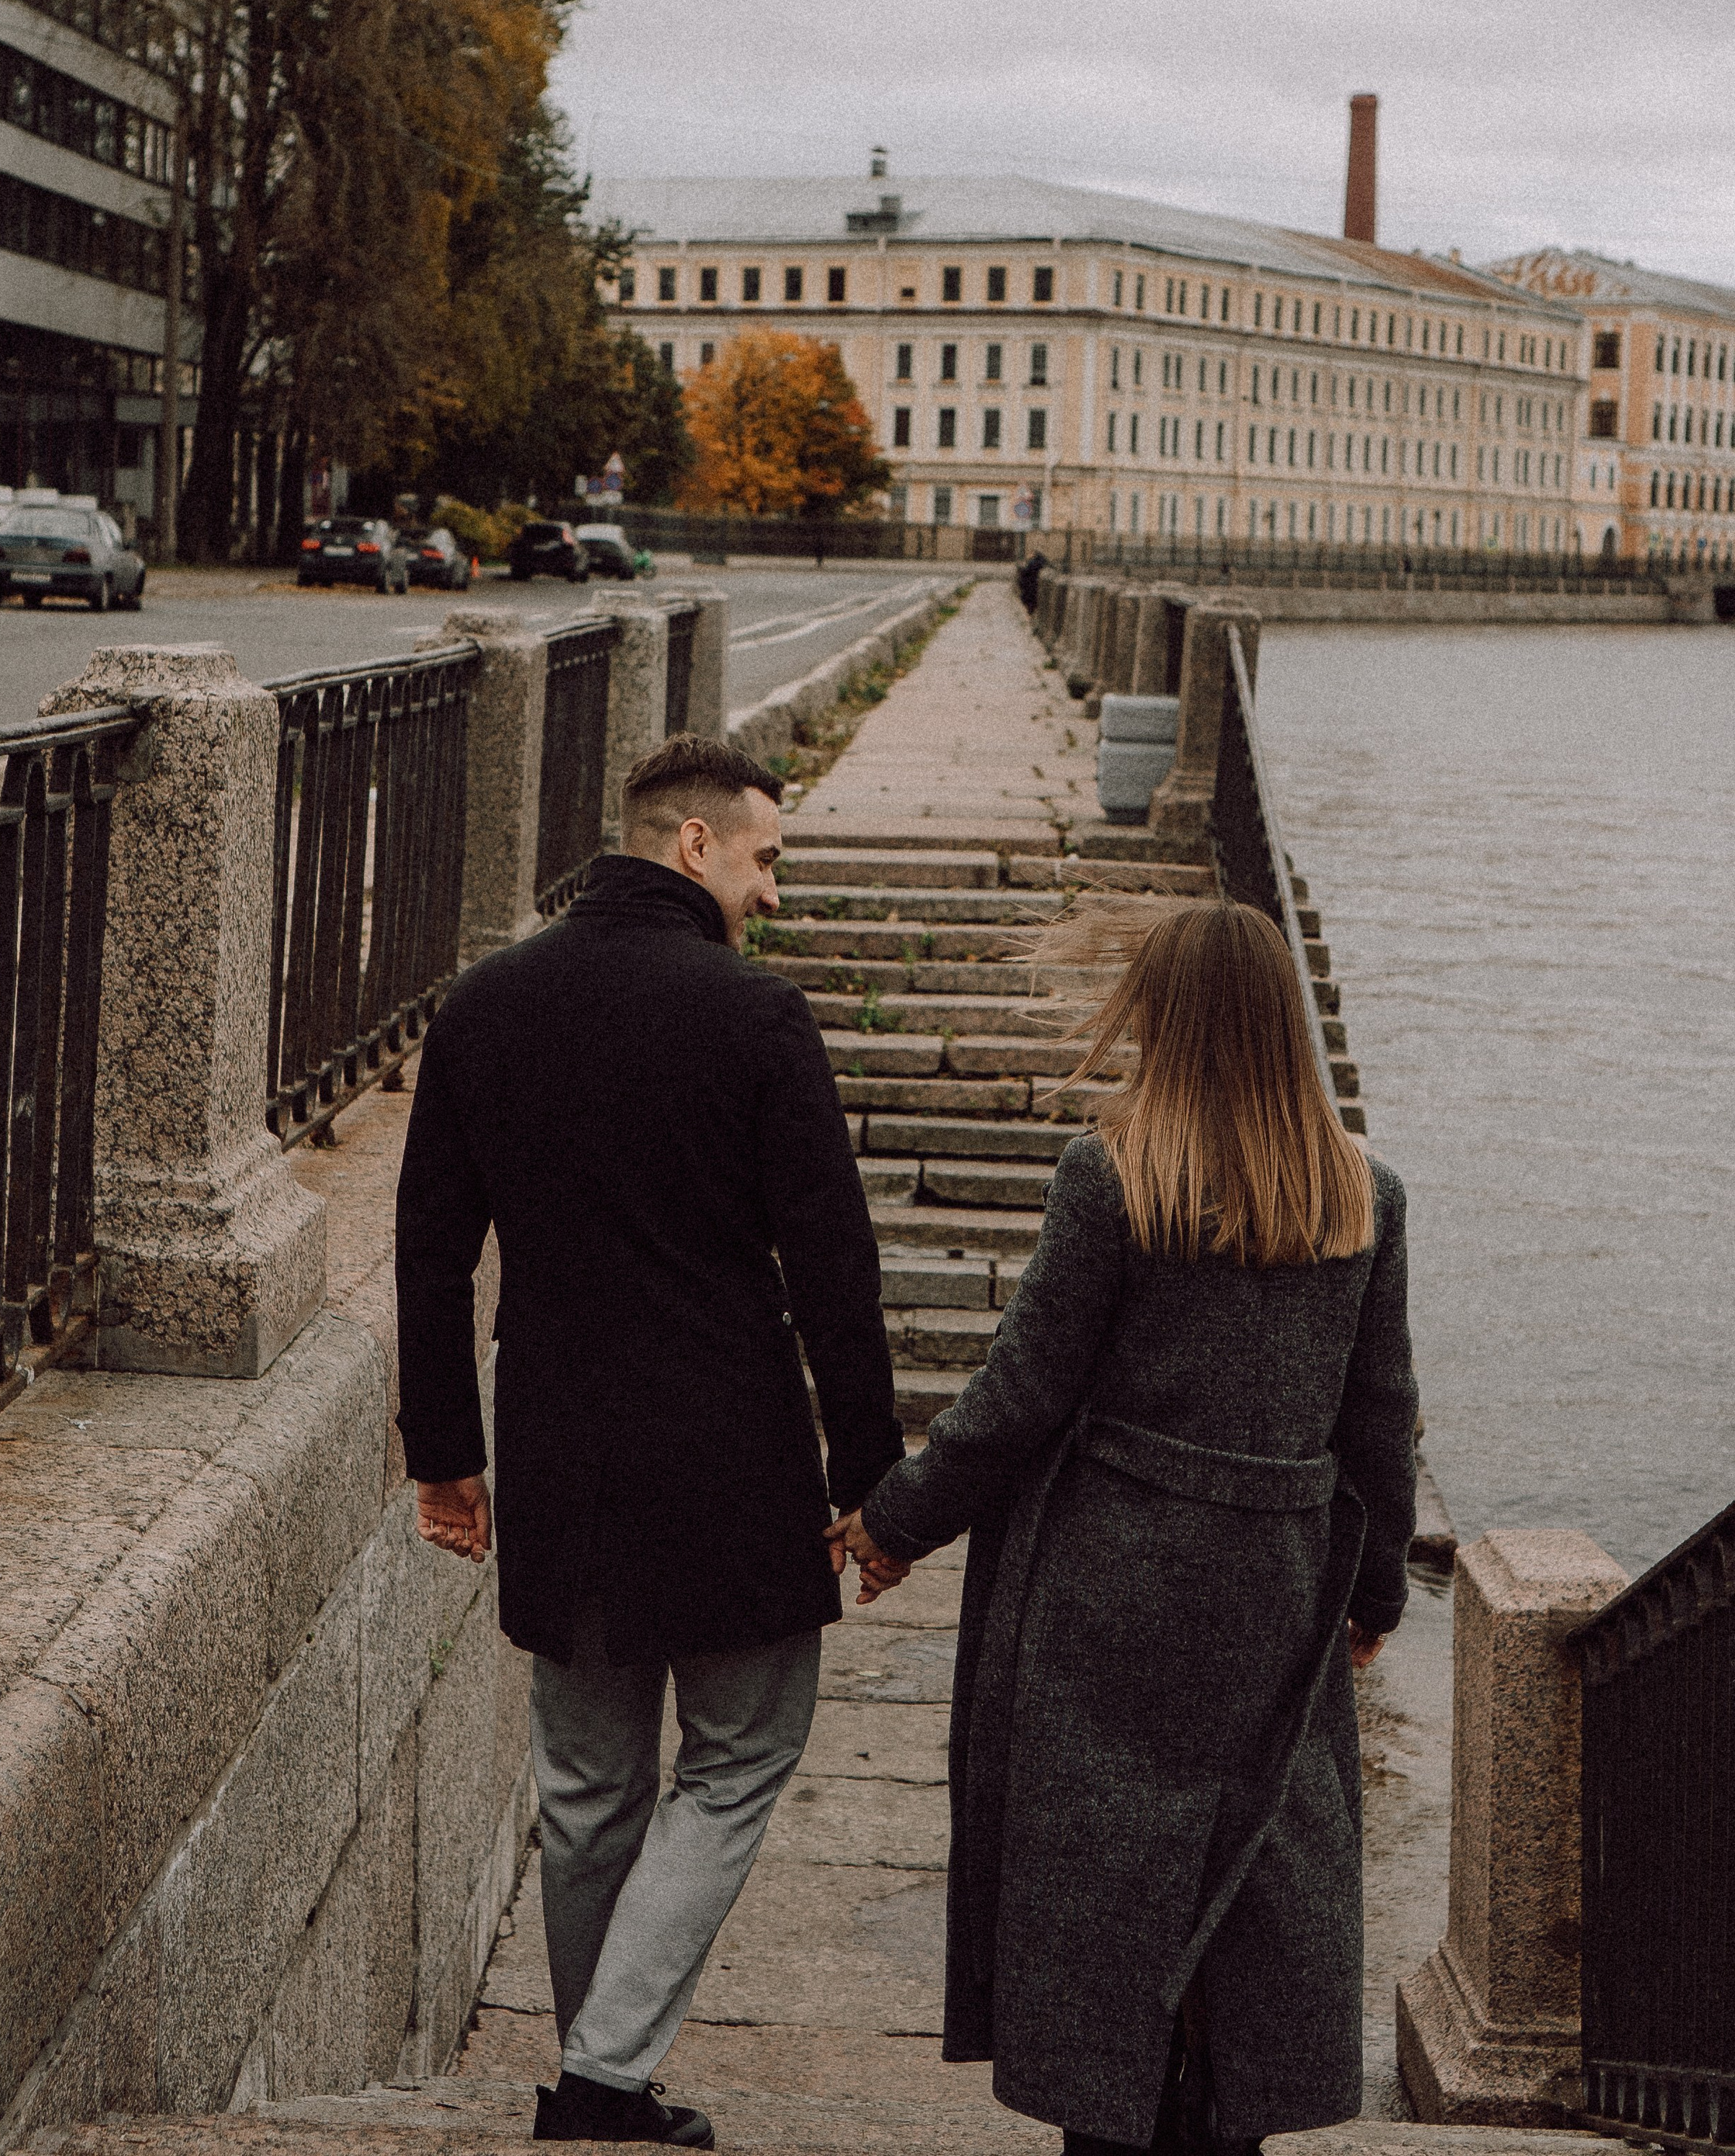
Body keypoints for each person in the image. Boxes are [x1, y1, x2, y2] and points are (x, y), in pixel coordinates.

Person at [829, 899, 1416, 2156]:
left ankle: (1112, 2127)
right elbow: (1381, 1423)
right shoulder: (1364, 1195)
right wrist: (1370, 1602)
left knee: (1106, 1885)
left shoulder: (1115, 1174)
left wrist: (895, 1522)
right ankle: (1229, 2124)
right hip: (1274, 1576)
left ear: (1166, 1017)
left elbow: (1024, 1392)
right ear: (1284, 1023)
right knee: (1255, 1871)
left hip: (1117, 1581)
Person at [394, 733, 906, 2150]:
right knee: (737, 1759)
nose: (774, 895)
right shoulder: (754, 1021)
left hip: (556, 1450)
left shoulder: (483, 1006)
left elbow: (429, 1250)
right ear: (693, 847)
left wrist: (445, 1453)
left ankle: (598, 2077)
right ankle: (606, 2085)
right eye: (765, 861)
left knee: (587, 1784)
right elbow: (831, 1267)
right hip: (728, 1456)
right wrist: (870, 1482)